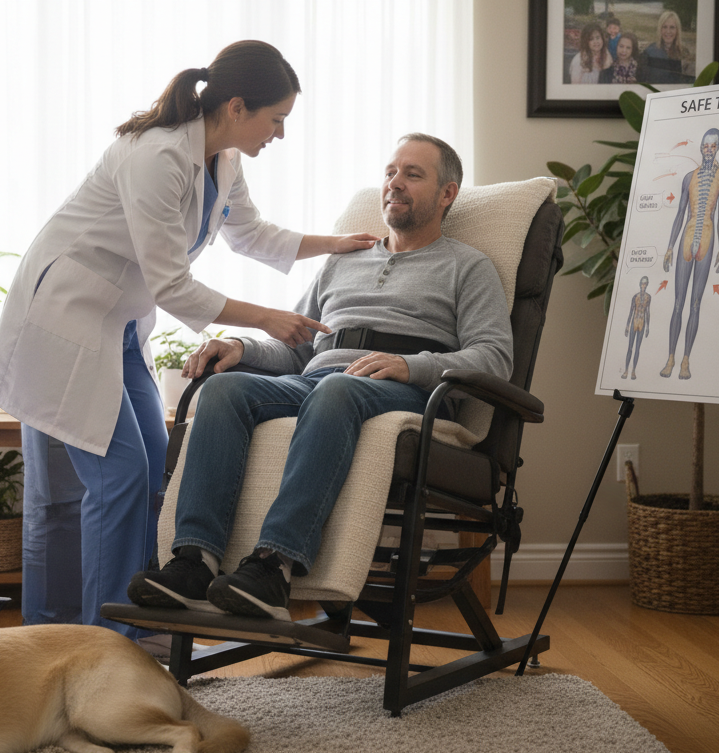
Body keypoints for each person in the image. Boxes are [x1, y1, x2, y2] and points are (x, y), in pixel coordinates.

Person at [0, 40, 376, 654]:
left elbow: (250, 234)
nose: (279, 133)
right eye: (276, 119)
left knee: (151, 472)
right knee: (108, 480)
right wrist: (269, 319)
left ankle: (134, 625)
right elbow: (173, 286)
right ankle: (100, 643)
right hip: (63, 320)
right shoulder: (158, 155)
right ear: (237, 107)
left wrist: (334, 244)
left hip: (116, 325)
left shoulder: (223, 158)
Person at [126, 133, 512, 621]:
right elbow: (298, 347)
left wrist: (410, 365)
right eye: (390, 172)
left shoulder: (468, 267)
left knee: (336, 389)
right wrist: (242, 347)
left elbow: (494, 356)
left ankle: (274, 566)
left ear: (447, 194)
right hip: (317, 380)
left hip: (402, 392)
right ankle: (193, 562)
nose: (395, 183)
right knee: (224, 388)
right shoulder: (342, 262)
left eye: (413, 175)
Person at [660, 128, 719, 380]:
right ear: (701, 148)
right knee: (678, 303)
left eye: (713, 146)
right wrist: (669, 246)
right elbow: (680, 212)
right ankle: (670, 358)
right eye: (706, 146)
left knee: (696, 304)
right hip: (687, 238)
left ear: (717, 148)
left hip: (708, 238)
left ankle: (685, 361)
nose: (709, 150)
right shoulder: (689, 177)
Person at [639, 10, 692, 84]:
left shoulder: (684, 53)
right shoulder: (649, 52)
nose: (668, 31)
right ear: (660, 29)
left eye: (672, 27)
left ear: (677, 30)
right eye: (664, 27)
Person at [622, 275, 650, 380]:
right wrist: (627, 325)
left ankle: (633, 371)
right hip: (634, 322)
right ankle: (626, 370)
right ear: (640, 284)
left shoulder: (648, 297)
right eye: (642, 283)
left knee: (637, 348)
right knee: (630, 347)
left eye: (645, 283)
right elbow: (631, 311)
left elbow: (648, 312)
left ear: (647, 285)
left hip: (642, 323)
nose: (643, 285)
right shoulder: (635, 297)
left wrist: (648, 327)